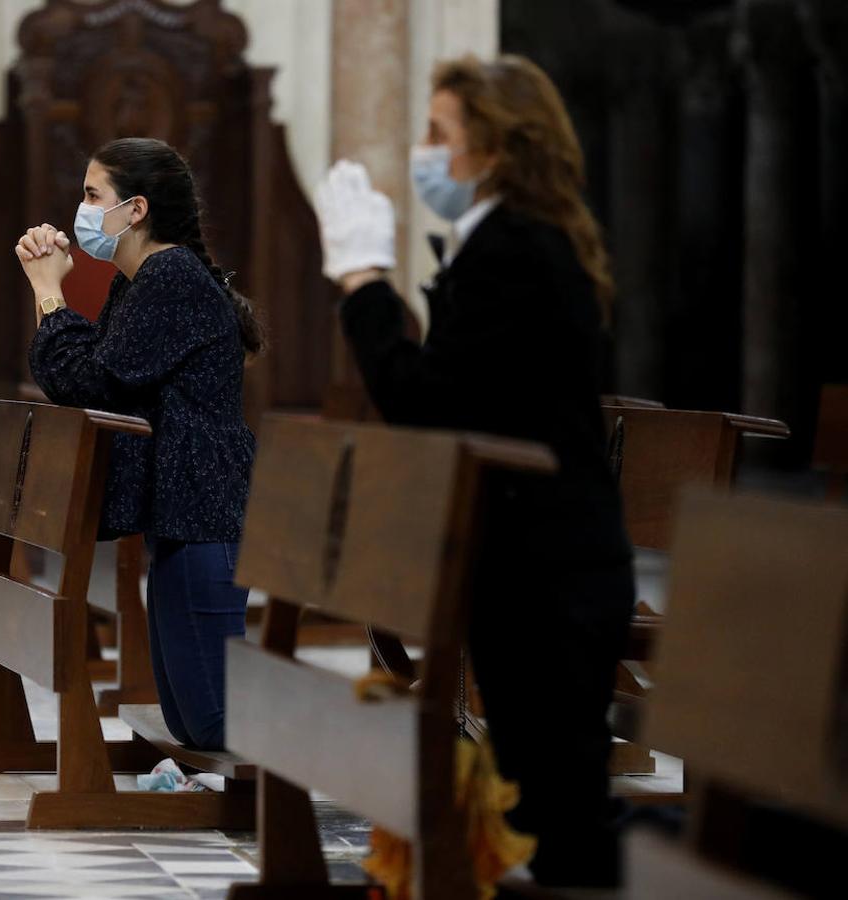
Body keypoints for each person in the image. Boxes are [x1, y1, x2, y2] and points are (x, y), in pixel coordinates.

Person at [312, 56, 634, 886]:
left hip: (546, 566)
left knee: (559, 815)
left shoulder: (517, 248)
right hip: (535, 555)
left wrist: (363, 283)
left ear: (494, 147)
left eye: (438, 134)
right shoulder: (511, 239)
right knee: (541, 802)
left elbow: (425, 401)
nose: (423, 151)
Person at [15, 137, 261, 751]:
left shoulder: (171, 277)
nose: (82, 208)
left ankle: (371, 745)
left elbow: (84, 381)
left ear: (136, 210)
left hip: (205, 515)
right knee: (189, 720)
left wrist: (49, 291)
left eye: (94, 195)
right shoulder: (143, 279)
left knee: (212, 722)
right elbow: (95, 375)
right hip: (181, 515)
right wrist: (50, 294)